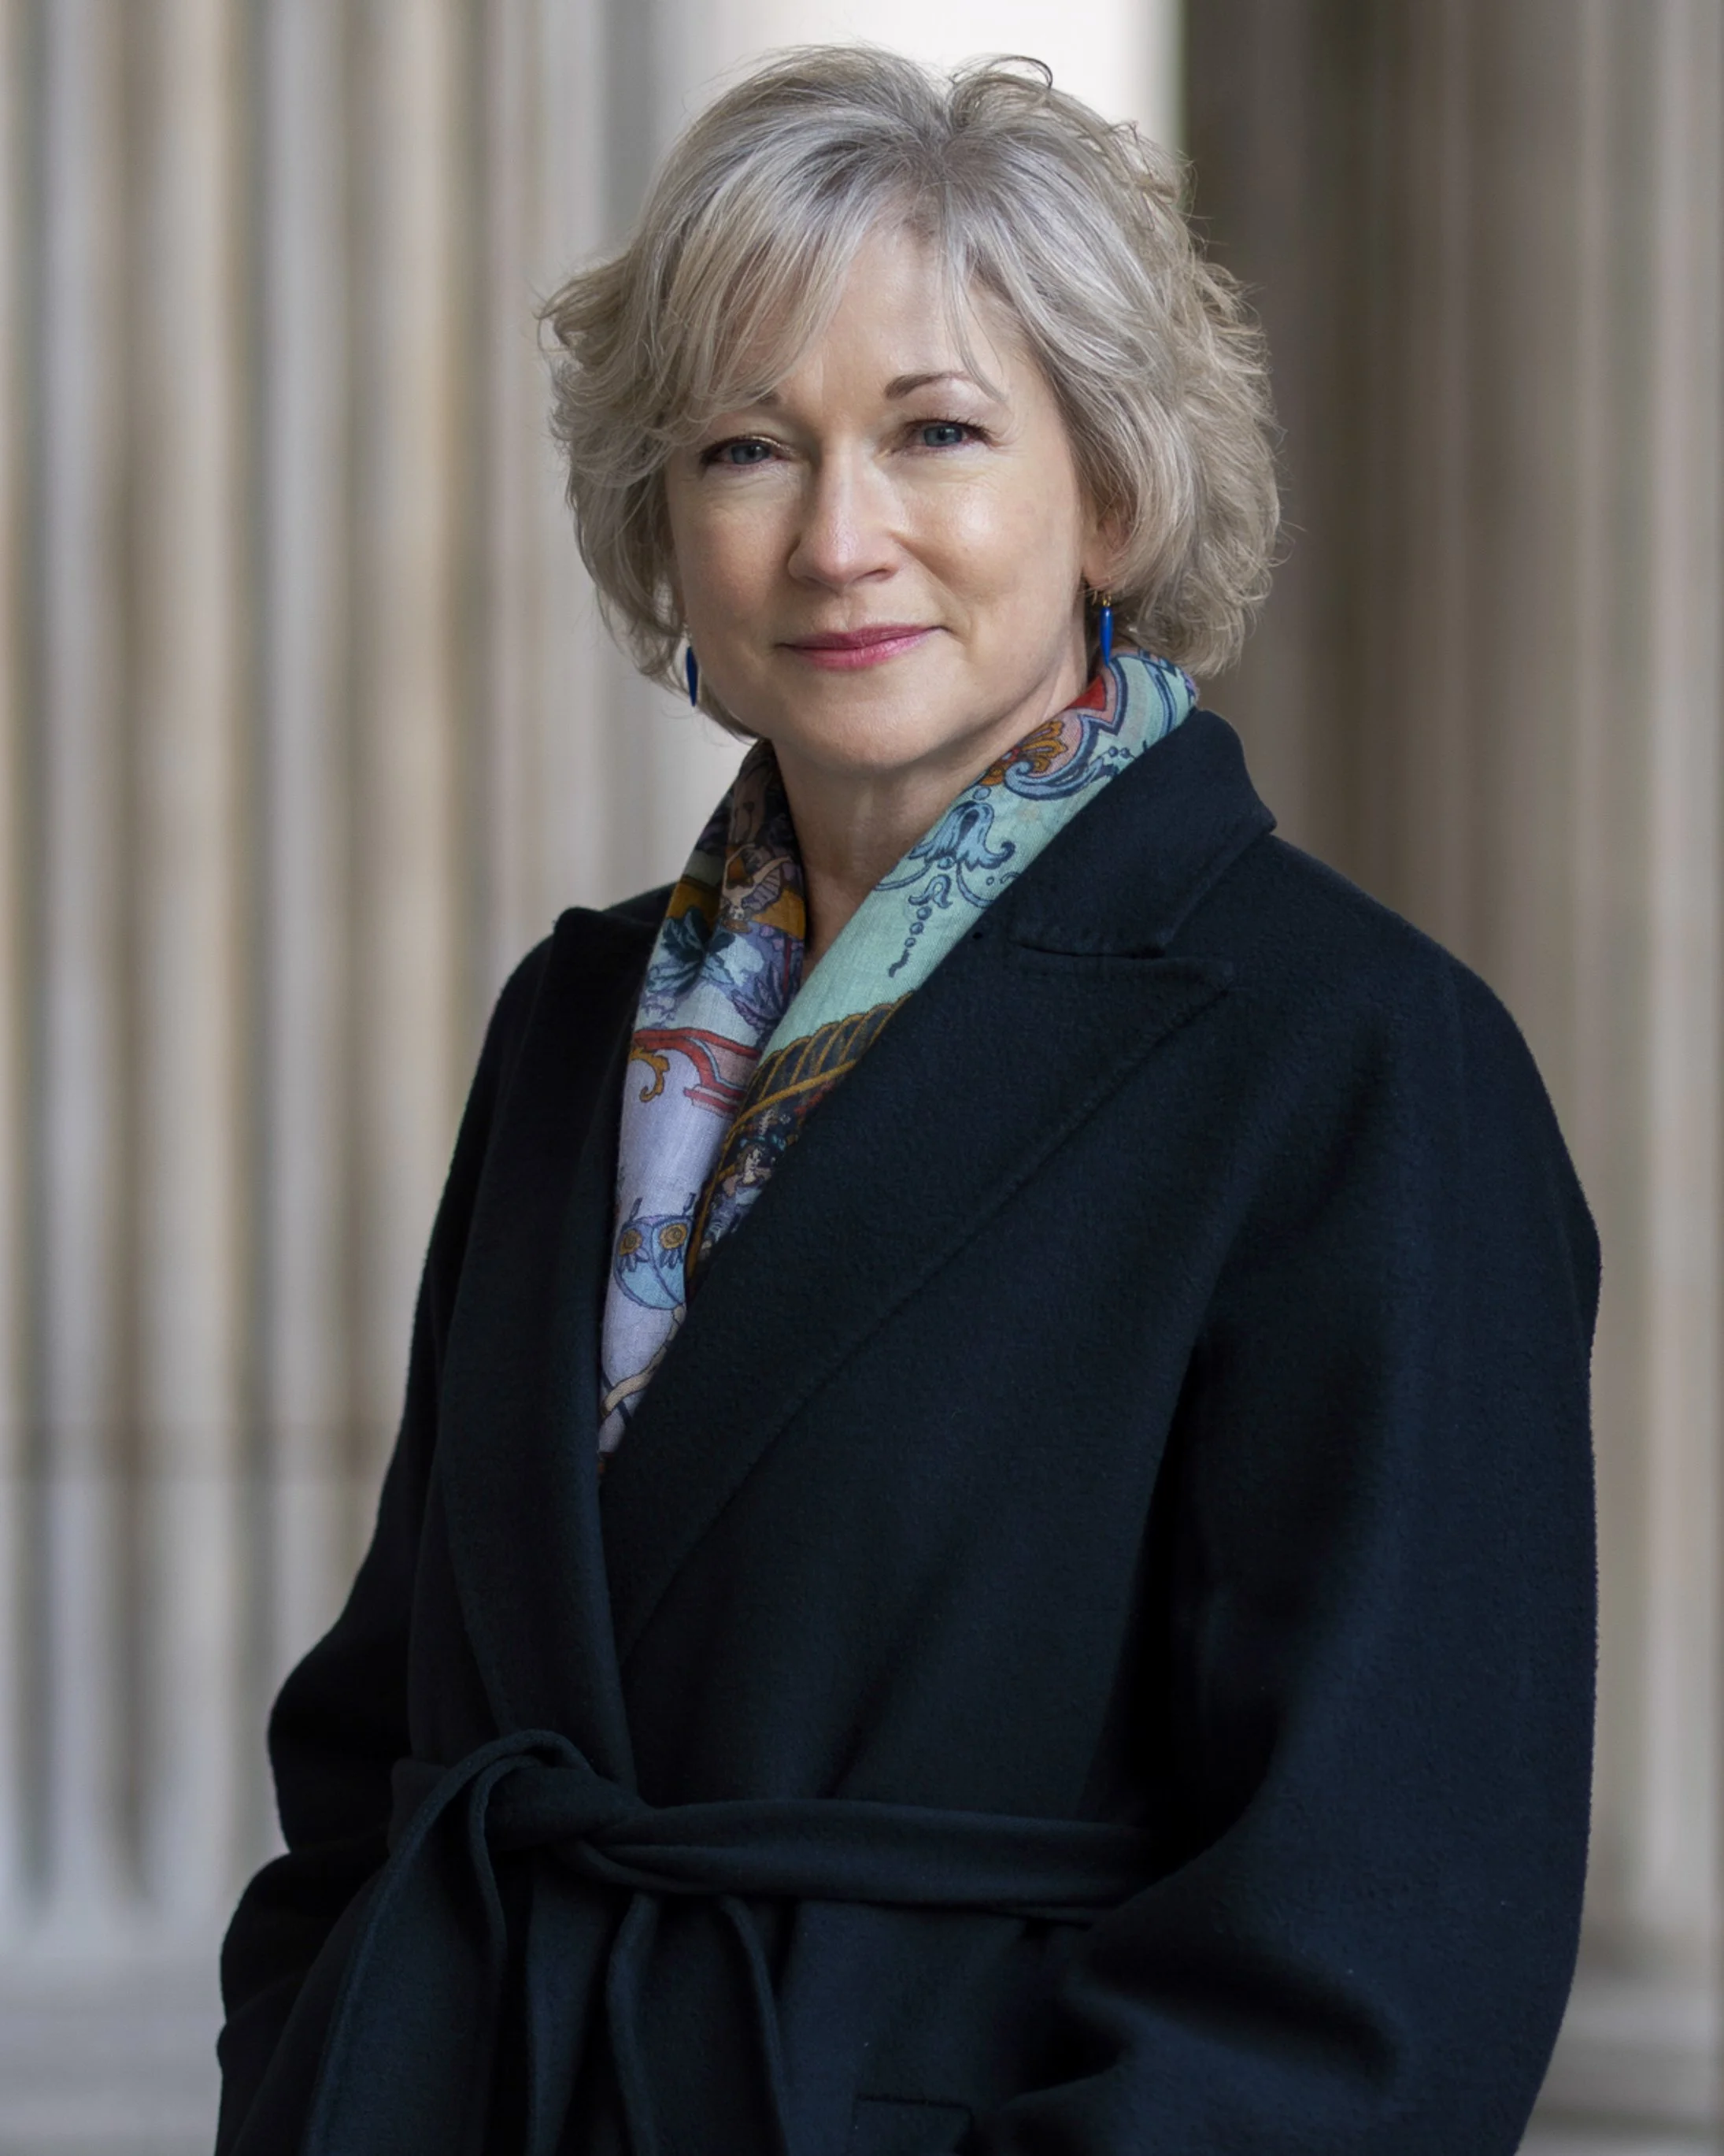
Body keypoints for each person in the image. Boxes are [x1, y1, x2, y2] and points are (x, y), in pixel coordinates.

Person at [213, 46, 1597, 2156]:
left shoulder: (1353, 1061)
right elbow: (388, 1721)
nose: (837, 538)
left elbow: (1378, 1944)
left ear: (1110, 492)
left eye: (935, 432)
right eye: (748, 449)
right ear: (661, 525)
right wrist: (312, 2049)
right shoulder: (580, 1021)